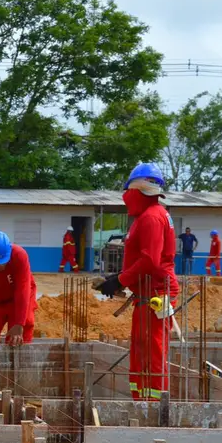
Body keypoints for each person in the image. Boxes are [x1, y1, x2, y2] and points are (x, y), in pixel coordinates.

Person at [95, 162, 179, 402]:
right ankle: (142, 401)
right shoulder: (150, 215)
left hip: (155, 294)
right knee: (143, 350)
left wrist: (120, 280)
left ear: (136, 190)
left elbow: (150, 261)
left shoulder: (152, 217)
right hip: (147, 293)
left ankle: (154, 405)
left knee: (152, 353)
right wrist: (119, 281)